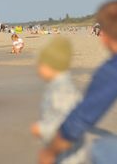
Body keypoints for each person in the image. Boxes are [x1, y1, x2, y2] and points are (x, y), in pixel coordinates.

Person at [39, 0, 117, 164]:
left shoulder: (115, 70)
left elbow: (77, 123)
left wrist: (49, 153)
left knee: (101, 148)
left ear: (103, 37)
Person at [31, 36, 86, 164]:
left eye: (40, 64)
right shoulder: (58, 87)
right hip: (63, 151)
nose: (37, 69)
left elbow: (67, 125)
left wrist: (41, 129)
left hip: (68, 155)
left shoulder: (61, 91)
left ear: (51, 65)